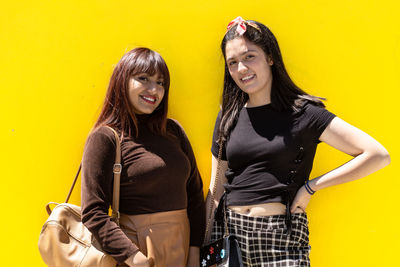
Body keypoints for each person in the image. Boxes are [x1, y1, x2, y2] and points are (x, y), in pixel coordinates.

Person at [205, 17, 390, 267]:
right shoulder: (228, 115)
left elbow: (377, 155)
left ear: (270, 57)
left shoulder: (304, 113)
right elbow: (215, 191)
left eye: (249, 57)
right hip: (230, 237)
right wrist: (202, 246)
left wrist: (310, 187)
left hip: (281, 240)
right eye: (233, 63)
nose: (241, 69)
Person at [81, 47, 205, 267]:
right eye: (143, 78)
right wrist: (135, 259)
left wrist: (194, 252)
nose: (154, 89)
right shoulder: (106, 137)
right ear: (122, 81)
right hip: (136, 254)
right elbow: (93, 212)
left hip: (181, 248)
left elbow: (194, 195)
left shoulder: (173, 131)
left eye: (160, 82)